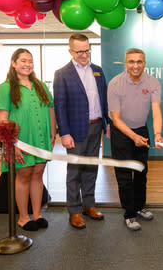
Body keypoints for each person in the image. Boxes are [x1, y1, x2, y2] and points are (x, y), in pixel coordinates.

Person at [0, 48, 56, 231]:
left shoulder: (40, 85)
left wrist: (53, 133)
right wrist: (13, 145)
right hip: (22, 140)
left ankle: (37, 215)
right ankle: (23, 217)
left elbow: (50, 108)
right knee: (24, 176)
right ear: (14, 63)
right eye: (23, 61)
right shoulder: (5, 88)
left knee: (38, 175)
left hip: (41, 138)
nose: (27, 64)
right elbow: (2, 120)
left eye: (30, 61)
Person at [53, 33, 111, 230]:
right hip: (75, 130)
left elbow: (103, 100)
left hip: (96, 127)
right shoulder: (62, 74)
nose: (84, 54)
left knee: (91, 168)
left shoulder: (98, 71)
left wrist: (107, 123)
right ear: (70, 51)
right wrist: (64, 133)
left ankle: (89, 205)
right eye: (80, 51)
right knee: (75, 171)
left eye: (87, 50)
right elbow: (59, 106)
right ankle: (75, 211)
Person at [107, 48, 163, 231]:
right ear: (125, 63)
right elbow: (115, 119)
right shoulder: (115, 84)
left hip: (142, 130)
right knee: (124, 176)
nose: (135, 65)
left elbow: (156, 111)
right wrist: (133, 137)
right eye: (131, 61)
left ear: (144, 63)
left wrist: (157, 134)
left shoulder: (153, 82)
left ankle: (140, 207)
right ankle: (129, 214)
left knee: (141, 172)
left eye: (139, 61)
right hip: (122, 132)